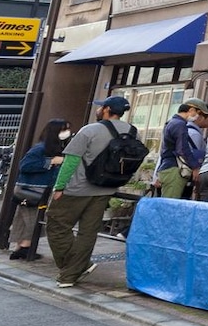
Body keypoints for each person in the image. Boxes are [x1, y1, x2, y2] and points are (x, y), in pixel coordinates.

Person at [45, 95, 146, 288]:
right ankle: (70, 275)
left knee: (57, 225)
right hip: (106, 188)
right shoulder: (133, 132)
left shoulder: (90, 130)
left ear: (107, 109)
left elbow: (71, 162)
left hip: (77, 188)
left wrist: (59, 187)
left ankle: (74, 268)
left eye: (101, 107)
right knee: (88, 233)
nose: (98, 109)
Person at [8, 119, 70, 260]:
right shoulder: (41, 148)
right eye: (64, 129)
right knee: (33, 219)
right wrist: (51, 162)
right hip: (32, 190)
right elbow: (25, 165)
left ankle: (20, 247)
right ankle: (25, 247)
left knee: (24, 218)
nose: (67, 132)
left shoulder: (48, 148)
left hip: (31, 188)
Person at [154, 100, 207, 200]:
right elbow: (182, 149)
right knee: (170, 205)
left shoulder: (171, 122)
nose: (198, 117)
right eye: (198, 113)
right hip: (175, 170)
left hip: (167, 167)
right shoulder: (180, 124)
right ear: (191, 110)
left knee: (167, 202)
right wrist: (195, 167)